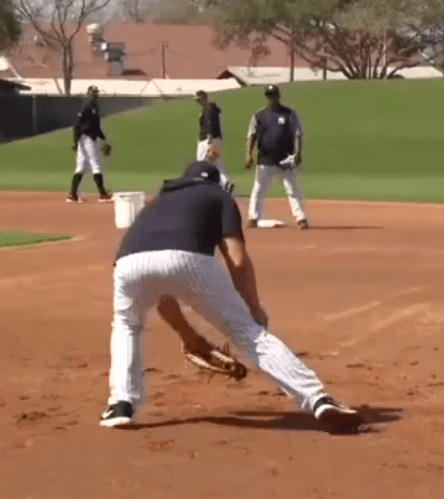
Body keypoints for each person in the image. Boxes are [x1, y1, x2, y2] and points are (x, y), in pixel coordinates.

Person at [99, 160, 364, 433]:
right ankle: (318, 399)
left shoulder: (156, 202)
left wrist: (188, 336)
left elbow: (158, 286)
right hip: (188, 260)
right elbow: (236, 260)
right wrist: (253, 310)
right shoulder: (219, 196)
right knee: (250, 335)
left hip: (127, 263)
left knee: (127, 326)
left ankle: (120, 404)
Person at [244, 85, 309, 229]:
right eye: (269, 95)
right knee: (258, 189)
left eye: (273, 95)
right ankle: (253, 217)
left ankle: (300, 218)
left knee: (292, 189)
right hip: (265, 159)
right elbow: (251, 135)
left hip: (285, 158)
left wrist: (298, 153)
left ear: (278, 96)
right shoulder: (259, 115)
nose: (271, 98)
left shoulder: (289, 114)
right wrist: (248, 154)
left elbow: (297, 134)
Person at [68, 85, 112, 203]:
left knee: (81, 166)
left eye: (96, 92)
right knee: (95, 164)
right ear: (89, 93)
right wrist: (75, 141)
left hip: (88, 137)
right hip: (85, 137)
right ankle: (102, 194)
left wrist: (104, 140)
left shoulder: (94, 106)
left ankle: (72, 194)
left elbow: (96, 126)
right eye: (93, 92)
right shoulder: (87, 105)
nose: (95, 94)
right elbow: (77, 125)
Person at [194, 90, 235, 193]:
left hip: (207, 140)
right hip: (214, 139)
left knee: (201, 162)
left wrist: (210, 139)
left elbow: (209, 124)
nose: (197, 101)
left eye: (198, 99)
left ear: (204, 97)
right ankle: (226, 182)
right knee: (216, 162)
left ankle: (201, 184)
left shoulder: (208, 108)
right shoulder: (211, 108)